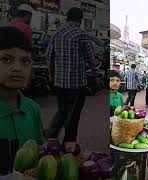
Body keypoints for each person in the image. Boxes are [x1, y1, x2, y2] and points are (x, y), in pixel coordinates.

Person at [45, 7, 98, 153]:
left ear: (67, 18)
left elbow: (48, 56)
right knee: (73, 116)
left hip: (60, 83)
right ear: (80, 19)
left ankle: (51, 139)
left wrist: (52, 75)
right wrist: (95, 76)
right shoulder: (81, 34)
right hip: (77, 84)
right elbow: (90, 59)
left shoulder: (57, 33)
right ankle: (68, 145)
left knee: (62, 110)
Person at [0, 27, 45, 173]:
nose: (18, 68)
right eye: (6, 59)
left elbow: (38, 150)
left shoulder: (32, 108)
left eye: (25, 61)